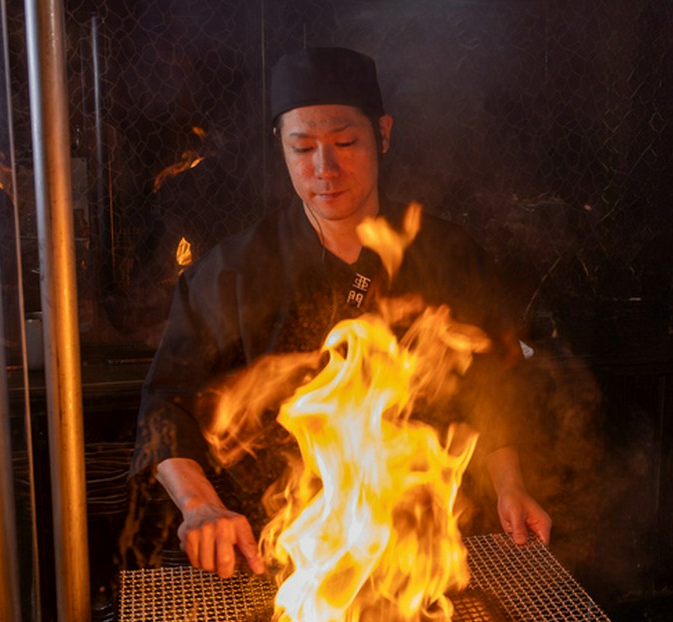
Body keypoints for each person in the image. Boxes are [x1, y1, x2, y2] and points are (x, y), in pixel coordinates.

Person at [131, 46, 551, 579]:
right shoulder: (231, 271)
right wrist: (200, 506)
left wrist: (510, 486)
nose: (324, 169)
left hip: (425, 549)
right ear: (279, 147)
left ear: (383, 135)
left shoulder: (446, 252)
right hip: (280, 555)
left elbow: (494, 380)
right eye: (302, 147)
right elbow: (165, 403)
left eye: (345, 143)